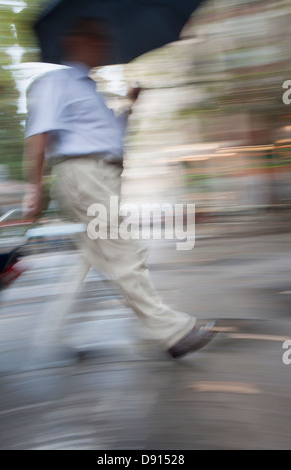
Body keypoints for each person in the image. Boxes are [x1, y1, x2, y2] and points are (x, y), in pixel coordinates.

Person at [23, 18, 220, 359]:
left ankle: (53, 333)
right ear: (75, 41)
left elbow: (110, 139)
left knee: (93, 258)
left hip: (102, 176)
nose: (105, 45)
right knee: (126, 253)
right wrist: (33, 187)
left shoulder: (89, 89)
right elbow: (39, 135)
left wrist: (130, 105)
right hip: (85, 176)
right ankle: (173, 332)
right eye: (98, 38)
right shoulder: (57, 82)